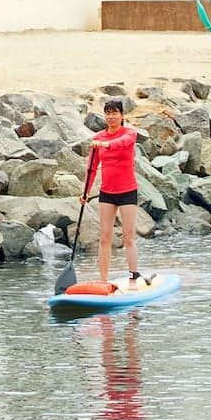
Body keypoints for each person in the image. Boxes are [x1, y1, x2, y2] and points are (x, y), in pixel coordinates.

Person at [84, 97, 148, 287]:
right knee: (105, 237)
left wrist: (106, 145)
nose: (111, 117)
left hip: (127, 191)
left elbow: (123, 142)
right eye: (108, 113)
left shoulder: (130, 133)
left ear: (122, 115)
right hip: (107, 193)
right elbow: (91, 168)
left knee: (128, 237)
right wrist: (85, 192)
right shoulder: (98, 138)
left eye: (114, 113)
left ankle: (133, 276)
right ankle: (103, 279)